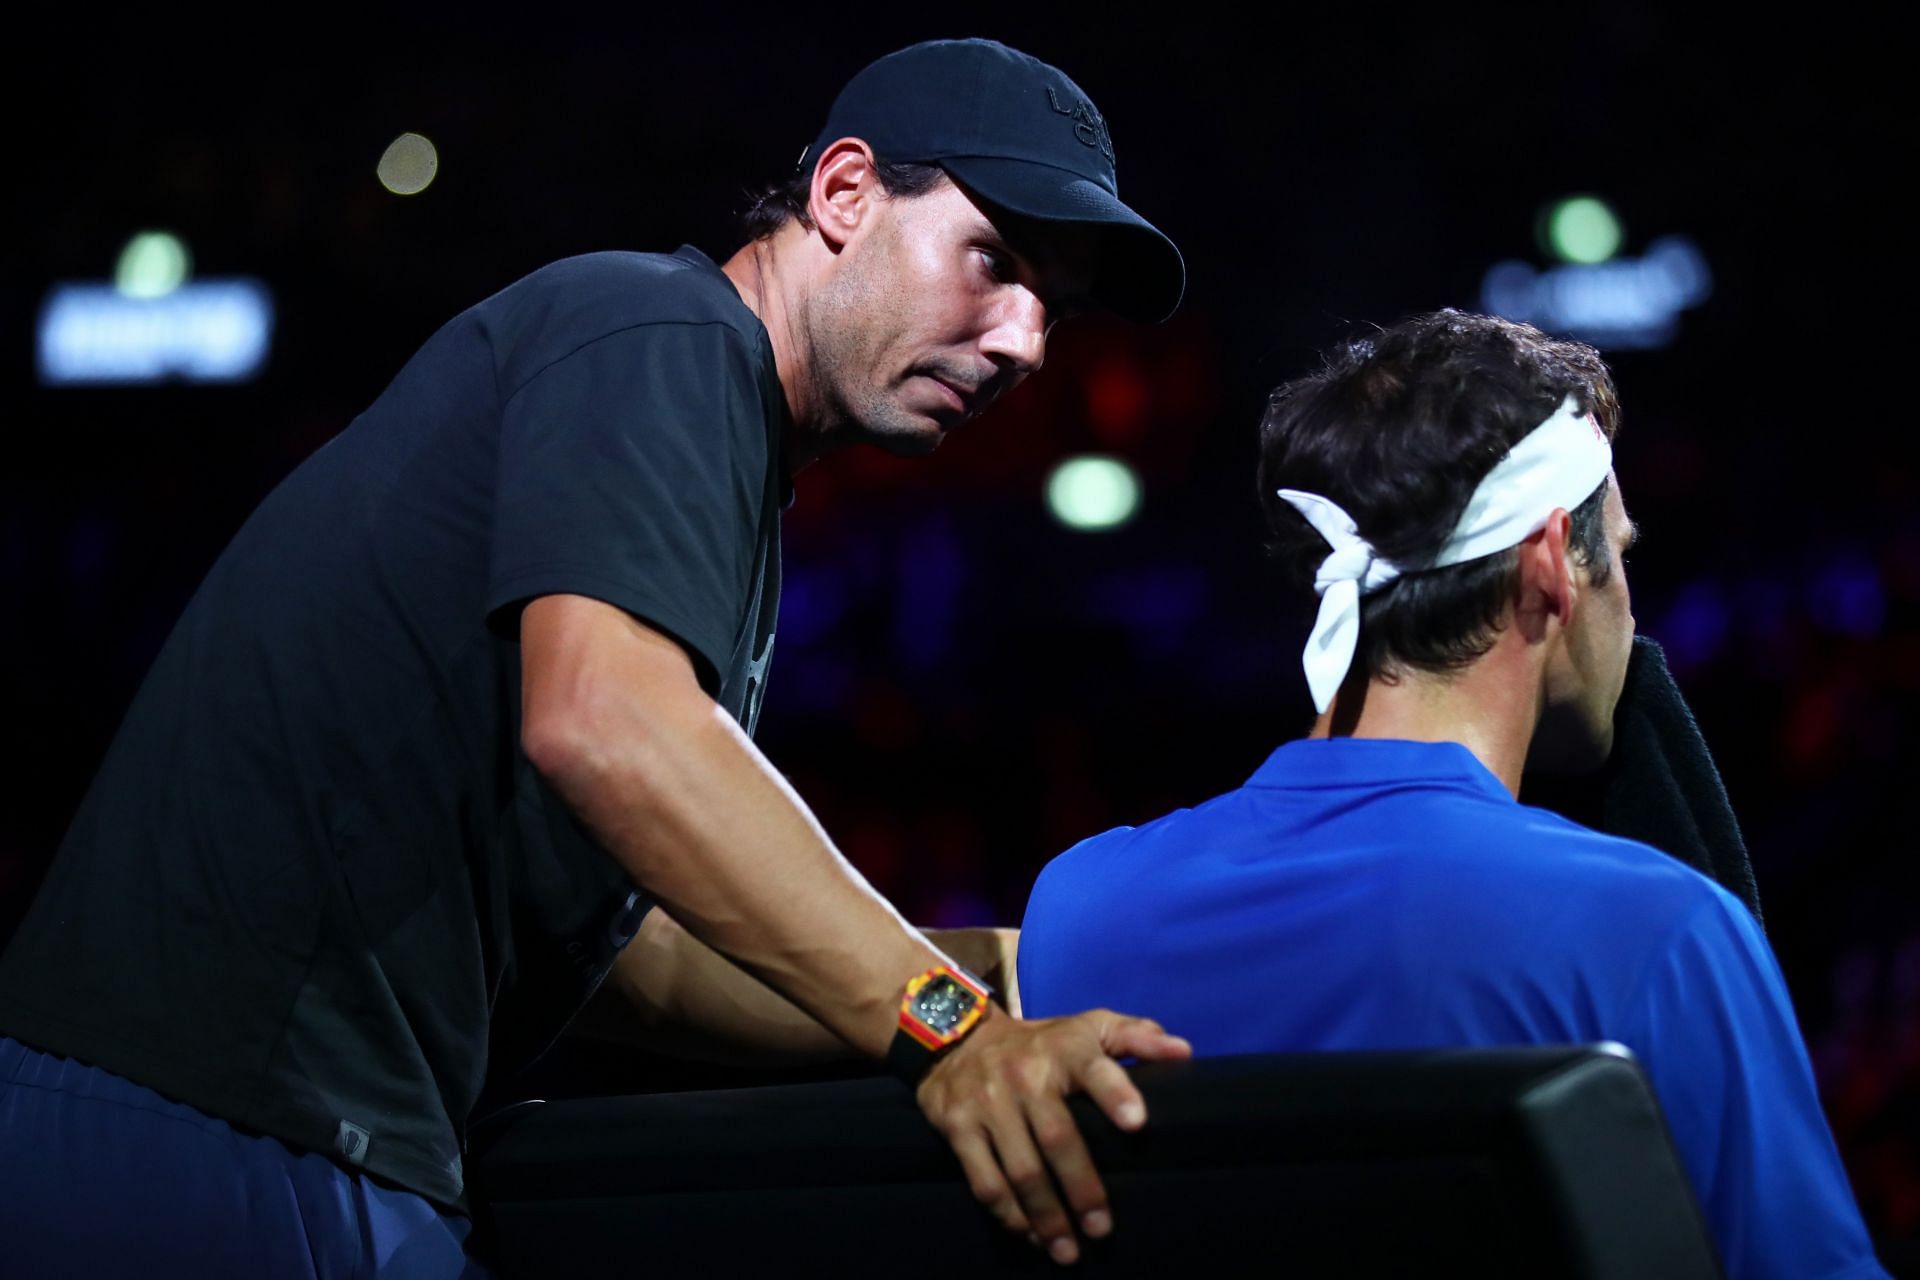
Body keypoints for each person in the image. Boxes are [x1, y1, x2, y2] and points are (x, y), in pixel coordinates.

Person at [0, 38, 1192, 1275]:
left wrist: (986, 975)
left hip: (257, 1128)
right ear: (843, 194)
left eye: (1053, 303)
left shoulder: (712, 443)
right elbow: (603, 724)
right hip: (209, 1128)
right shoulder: (659, 331)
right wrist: (948, 1032)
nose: (1026, 343)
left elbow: (634, 958)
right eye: (994, 261)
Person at [1016, 311, 1888, 1278]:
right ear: (1553, 562)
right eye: (1623, 554)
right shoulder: (1661, 930)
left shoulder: (1076, 906)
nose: (1628, 605)